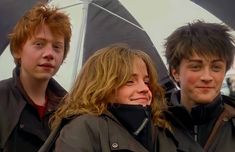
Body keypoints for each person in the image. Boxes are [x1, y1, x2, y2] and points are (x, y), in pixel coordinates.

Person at [39, 44, 178, 152]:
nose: (144, 88)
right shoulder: (83, 127)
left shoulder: (161, 129)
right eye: (129, 81)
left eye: (146, 81)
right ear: (102, 86)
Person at [0, 3, 72, 152]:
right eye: (39, 44)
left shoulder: (70, 108)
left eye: (57, 47)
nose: (49, 54)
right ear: (18, 50)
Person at [164, 20, 235, 151]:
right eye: (196, 67)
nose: (207, 77)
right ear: (175, 72)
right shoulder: (152, 124)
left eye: (216, 67)